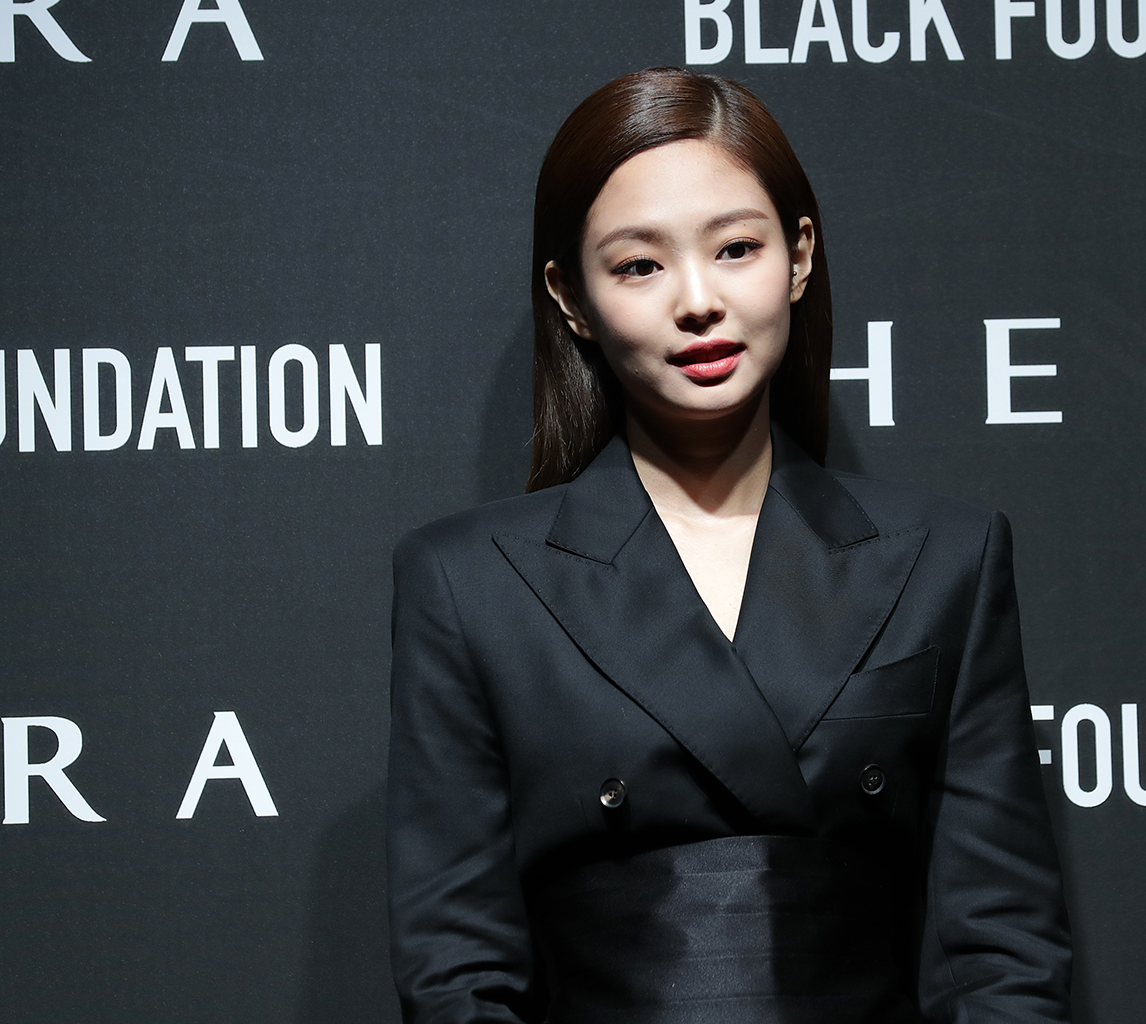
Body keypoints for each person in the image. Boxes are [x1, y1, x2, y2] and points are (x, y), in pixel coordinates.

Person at [387, 67, 1071, 1024]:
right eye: (640, 265)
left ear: (799, 257)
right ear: (571, 297)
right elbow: (457, 976)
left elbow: (1002, 955)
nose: (698, 300)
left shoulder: (948, 558)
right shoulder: (468, 584)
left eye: (737, 248)